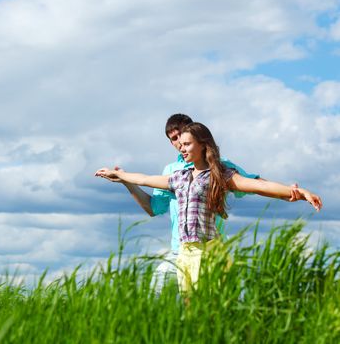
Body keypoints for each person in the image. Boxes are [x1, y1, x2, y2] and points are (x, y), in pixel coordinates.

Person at [95, 122, 322, 293]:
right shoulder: (179, 177)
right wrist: (120, 175)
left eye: (187, 144)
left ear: (203, 145)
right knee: (191, 312)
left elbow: (257, 186)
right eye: (180, 145)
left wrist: (299, 193)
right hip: (185, 252)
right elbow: (145, 178)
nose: (181, 149)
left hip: (209, 251)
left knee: (209, 310)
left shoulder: (219, 175)